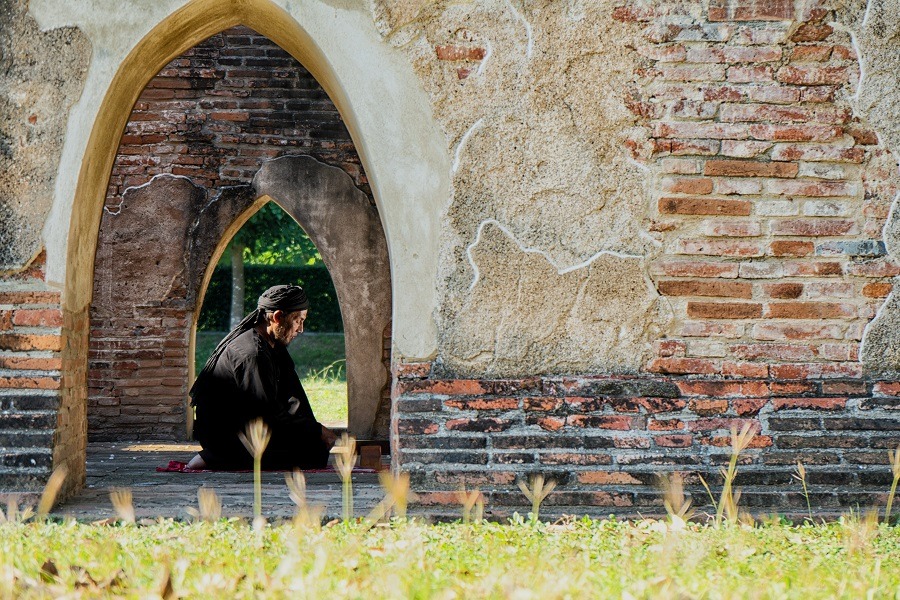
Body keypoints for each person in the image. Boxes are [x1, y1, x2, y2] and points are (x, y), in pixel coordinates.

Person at [186, 284, 338, 470]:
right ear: (277, 317)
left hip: (251, 424)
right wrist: (314, 431)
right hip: (228, 435)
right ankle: (214, 457)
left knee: (313, 446)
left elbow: (291, 397)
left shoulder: (273, 347)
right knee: (311, 453)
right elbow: (265, 412)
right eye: (298, 320)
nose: (301, 329)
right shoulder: (252, 353)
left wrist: (312, 430)